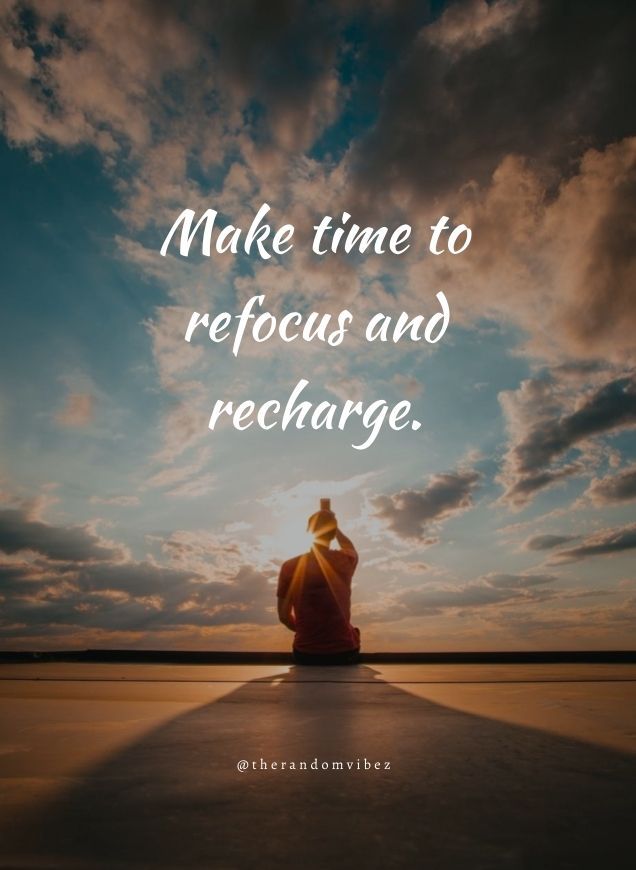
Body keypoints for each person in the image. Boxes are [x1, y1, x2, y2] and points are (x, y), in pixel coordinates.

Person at [277, 502, 361, 665]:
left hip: (306, 654)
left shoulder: (289, 566)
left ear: (309, 531)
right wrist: (333, 525)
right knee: (353, 633)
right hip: (344, 653)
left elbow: (284, 617)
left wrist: (306, 632)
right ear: (333, 533)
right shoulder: (346, 560)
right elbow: (349, 546)